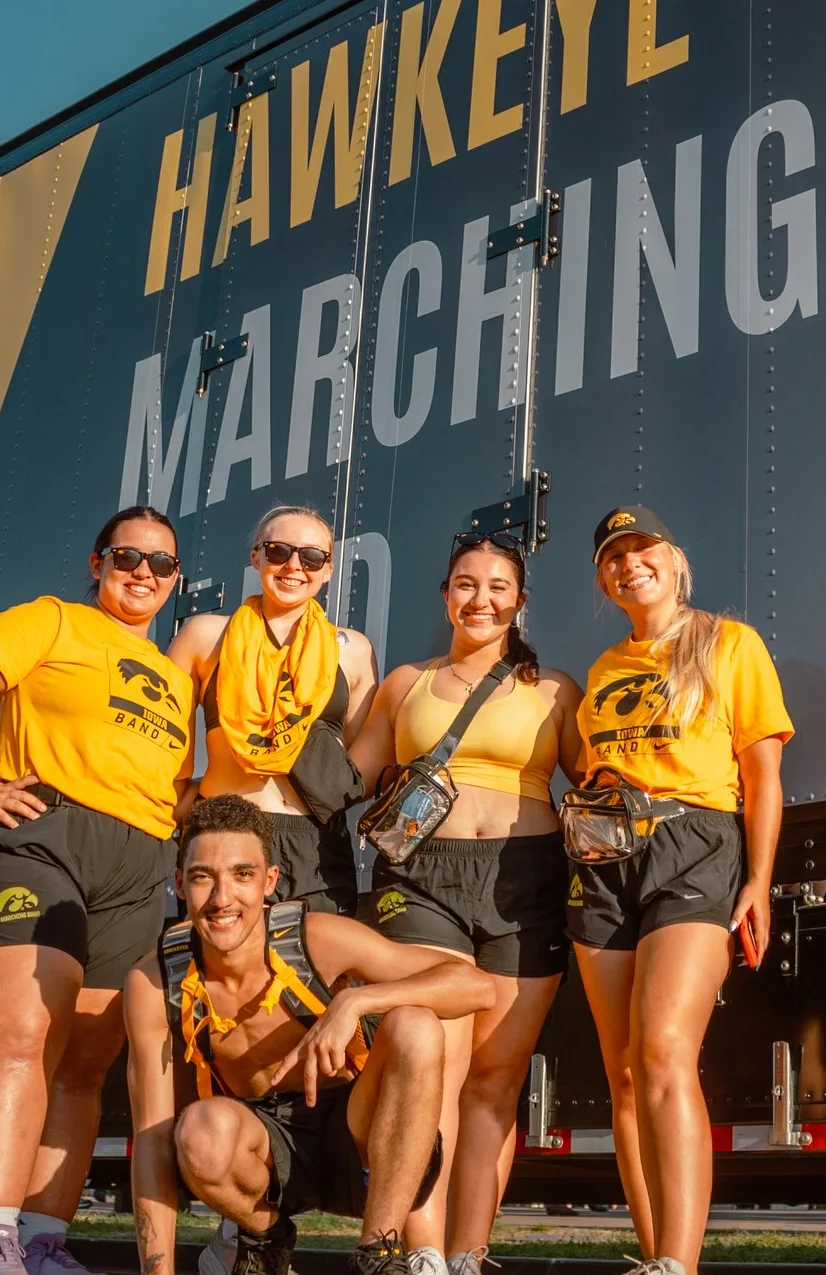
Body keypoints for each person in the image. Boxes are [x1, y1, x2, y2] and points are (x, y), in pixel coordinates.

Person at [0, 506, 193, 1275]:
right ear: (98, 562)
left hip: (138, 863)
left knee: (81, 1066)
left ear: (174, 580)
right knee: (17, 1037)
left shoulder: (177, 682)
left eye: (160, 564)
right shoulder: (52, 622)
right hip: (38, 837)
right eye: (127, 556)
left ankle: (41, 1243)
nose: (143, 572)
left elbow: (166, 785)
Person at [563, 506, 793, 1275]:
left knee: (665, 1050)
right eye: (614, 558)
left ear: (674, 556)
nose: (630, 564)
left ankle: (679, 1266)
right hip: (606, 856)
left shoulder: (729, 642)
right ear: (604, 580)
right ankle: (653, 1252)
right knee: (623, 1069)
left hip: (695, 844)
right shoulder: (602, 670)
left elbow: (762, 773)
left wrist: (759, 879)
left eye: (642, 548)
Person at [348, 534, 583, 1275]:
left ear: (519, 600)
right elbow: (347, 780)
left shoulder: (555, 691)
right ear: (445, 594)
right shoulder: (404, 684)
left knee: (494, 1082)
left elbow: (598, 778)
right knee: (435, 1062)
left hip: (527, 880)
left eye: (497, 586)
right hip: (421, 879)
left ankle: (468, 1253)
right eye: (464, 583)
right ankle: (419, 1252)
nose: (480, 599)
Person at [166, 795, 495, 1275]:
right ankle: (265, 1235)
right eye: (202, 877)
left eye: (242, 875)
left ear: (269, 883)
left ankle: (377, 1255)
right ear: (180, 883)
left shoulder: (314, 937)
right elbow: (154, 1134)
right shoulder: (164, 972)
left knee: (415, 1024)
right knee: (196, 1130)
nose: (222, 898)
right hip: (264, 1152)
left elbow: (476, 987)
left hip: (359, 1139)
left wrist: (355, 1001)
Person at [171, 507, 378, 915]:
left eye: (311, 557)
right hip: (225, 831)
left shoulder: (354, 650)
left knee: (316, 974)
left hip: (315, 842)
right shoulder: (205, 635)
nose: (294, 566)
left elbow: (354, 762)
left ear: (328, 569)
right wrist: (189, 797)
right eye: (278, 551)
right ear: (256, 557)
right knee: (222, 976)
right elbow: (162, 740)